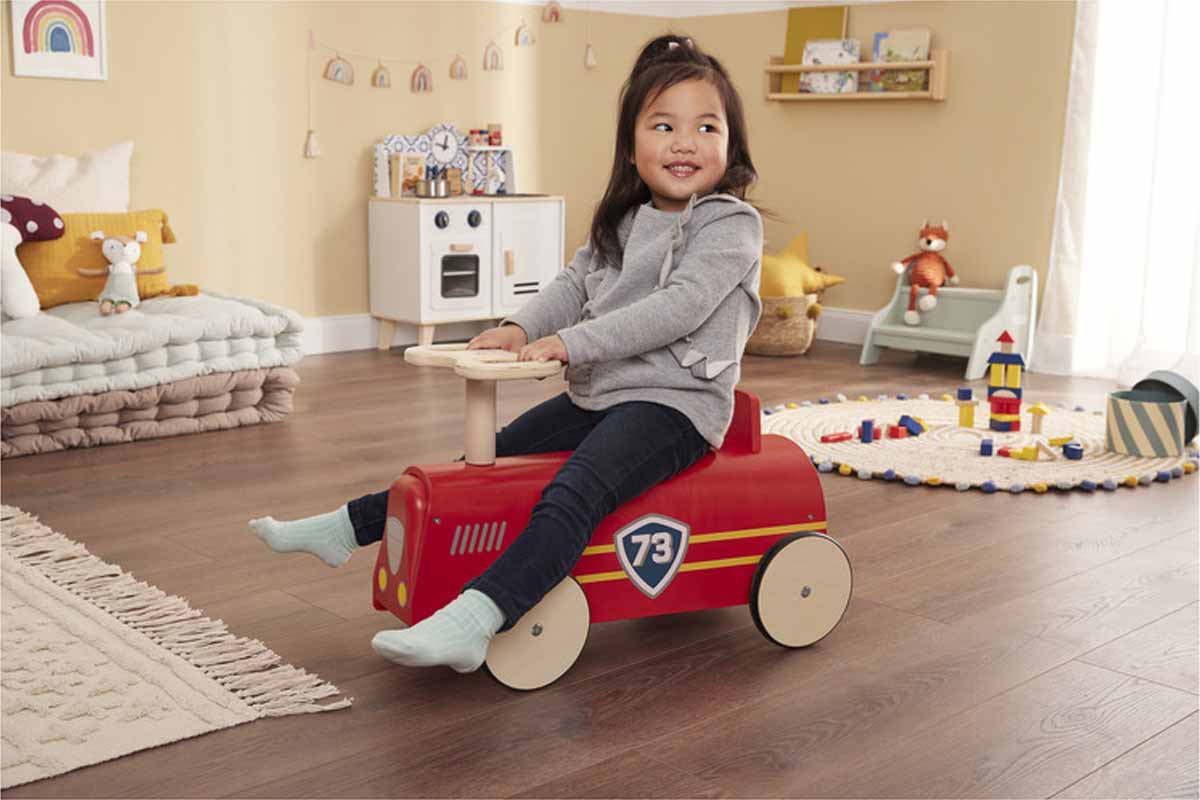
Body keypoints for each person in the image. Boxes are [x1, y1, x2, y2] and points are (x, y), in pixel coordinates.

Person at [249, 33, 764, 673]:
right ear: (632, 149)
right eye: (664, 125)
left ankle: (482, 615)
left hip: (675, 407)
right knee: (482, 460)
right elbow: (574, 286)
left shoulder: (730, 225)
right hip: (603, 395)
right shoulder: (623, 221)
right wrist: (518, 328)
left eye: (705, 127)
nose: (685, 141)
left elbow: (680, 307)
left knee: (573, 491)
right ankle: (346, 528)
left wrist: (572, 343)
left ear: (731, 147)